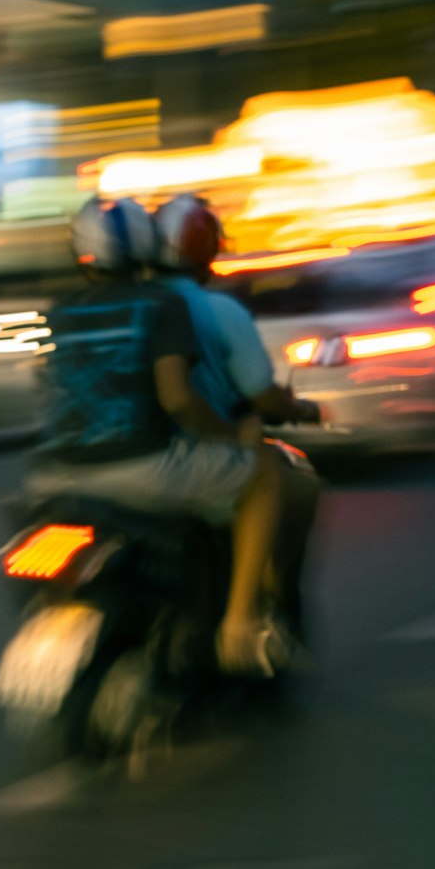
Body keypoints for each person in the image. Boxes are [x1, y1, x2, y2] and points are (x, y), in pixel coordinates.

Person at [26, 194, 320, 677]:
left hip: (53, 476)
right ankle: (240, 625)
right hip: (144, 469)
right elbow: (179, 400)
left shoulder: (59, 311)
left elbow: (50, 387)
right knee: (262, 475)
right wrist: (230, 434)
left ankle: (50, 613)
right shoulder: (161, 305)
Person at [149, 194, 323, 673]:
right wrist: (302, 409)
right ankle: (250, 617)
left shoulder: (126, 306)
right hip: (189, 460)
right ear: (208, 252)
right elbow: (260, 395)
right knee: (291, 482)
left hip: (102, 457)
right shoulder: (218, 311)